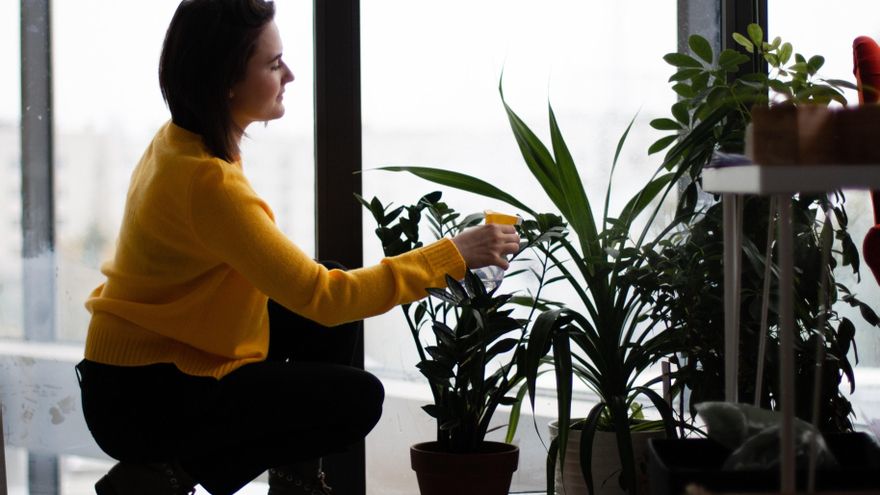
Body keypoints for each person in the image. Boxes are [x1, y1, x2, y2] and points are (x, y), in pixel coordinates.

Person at [74, 1, 520, 495]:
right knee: (357, 399)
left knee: (326, 294)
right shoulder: (207, 181)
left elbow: (316, 295)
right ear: (225, 81)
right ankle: (164, 473)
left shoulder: (179, 141)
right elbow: (326, 298)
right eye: (272, 64)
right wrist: (452, 254)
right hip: (146, 396)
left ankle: (294, 480)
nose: (289, 73)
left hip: (138, 369)